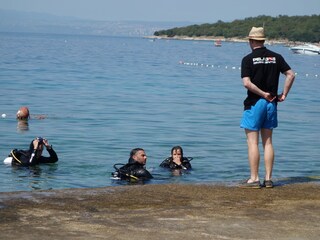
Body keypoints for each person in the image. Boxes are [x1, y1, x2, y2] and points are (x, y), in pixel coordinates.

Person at [239, 27, 295, 188]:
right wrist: (283, 94)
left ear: (251, 41)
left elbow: (246, 83)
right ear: (263, 41)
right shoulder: (276, 57)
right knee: (268, 142)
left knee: (252, 143)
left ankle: (254, 179)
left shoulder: (248, 59)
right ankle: (268, 179)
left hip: (255, 102)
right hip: (272, 103)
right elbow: (291, 74)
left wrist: (263, 94)